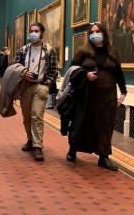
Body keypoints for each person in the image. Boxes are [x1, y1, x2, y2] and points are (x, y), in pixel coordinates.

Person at [66, 22, 127, 171]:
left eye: (97, 31)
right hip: (87, 95)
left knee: (106, 126)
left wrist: (123, 92)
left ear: (104, 33)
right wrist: (85, 74)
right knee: (81, 124)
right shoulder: (83, 51)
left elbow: (118, 73)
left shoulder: (113, 52)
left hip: (108, 96)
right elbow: (72, 70)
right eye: (91, 32)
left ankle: (104, 157)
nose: (94, 34)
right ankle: (73, 149)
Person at [15, 22, 58, 161]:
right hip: (25, 87)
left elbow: (53, 70)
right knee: (27, 117)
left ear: (42, 33)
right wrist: (23, 74)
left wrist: (48, 83)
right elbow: (16, 67)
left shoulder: (49, 51)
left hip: (41, 87)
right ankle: (30, 140)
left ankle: (38, 146)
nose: (33, 33)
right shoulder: (23, 50)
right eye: (31, 31)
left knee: (36, 115)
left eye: (36, 31)